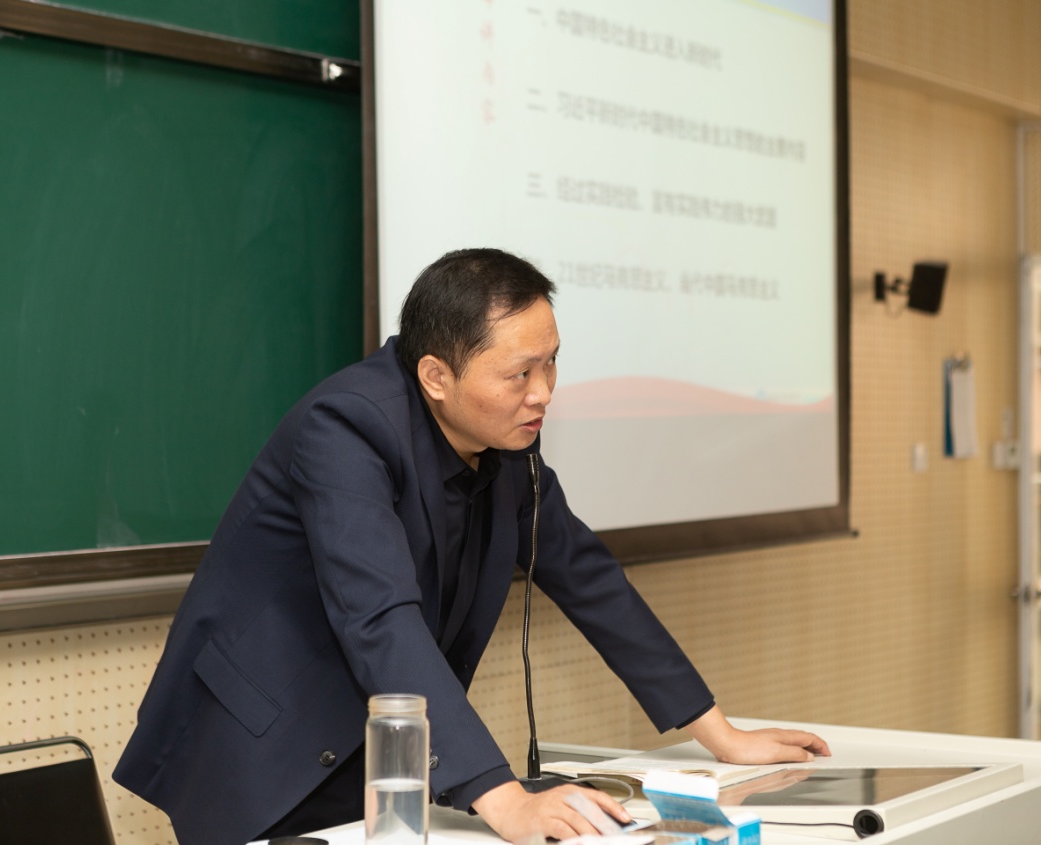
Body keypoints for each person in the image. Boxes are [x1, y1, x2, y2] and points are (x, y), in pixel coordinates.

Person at [113, 248, 829, 845]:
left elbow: (586, 575)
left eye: (552, 364)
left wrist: (720, 735)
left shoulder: (506, 441)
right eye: (520, 373)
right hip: (263, 747)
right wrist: (503, 797)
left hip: (385, 748)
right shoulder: (345, 428)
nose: (543, 393)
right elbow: (379, 616)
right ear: (436, 375)